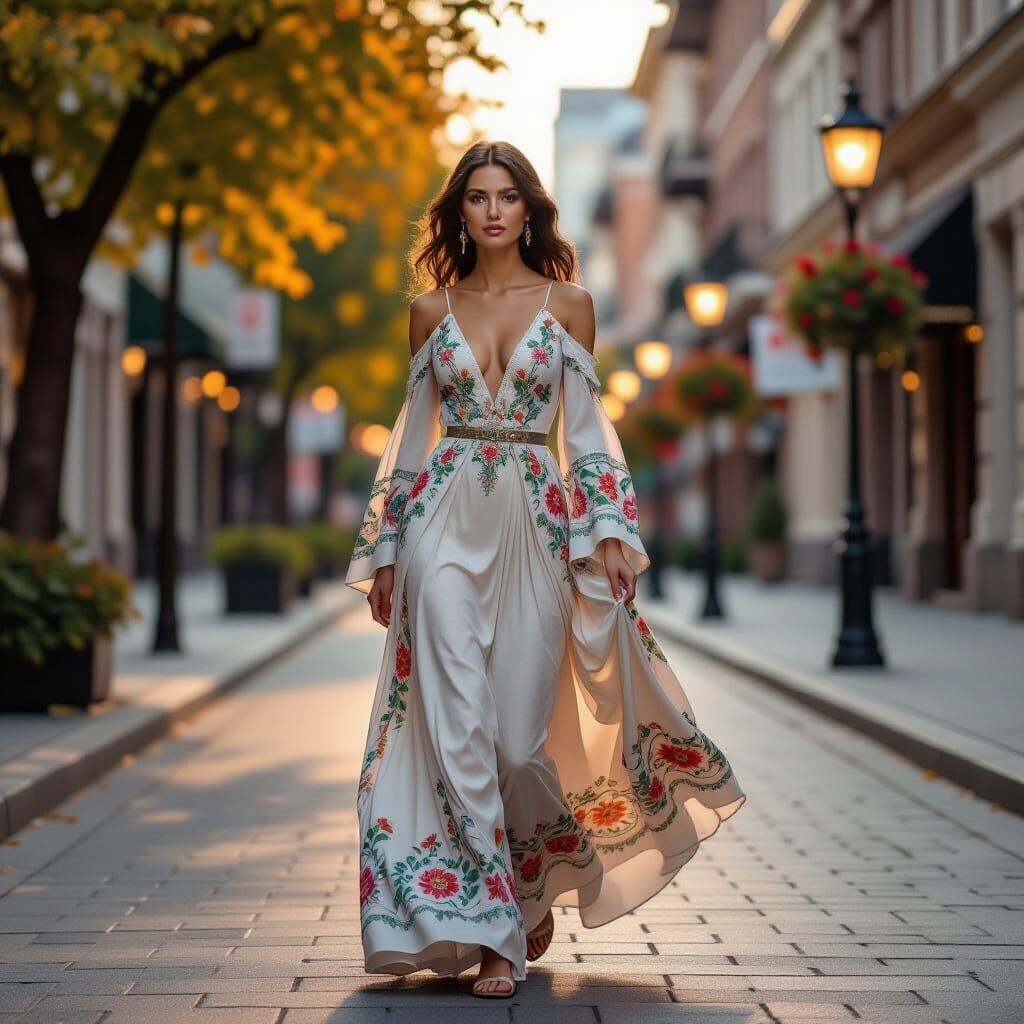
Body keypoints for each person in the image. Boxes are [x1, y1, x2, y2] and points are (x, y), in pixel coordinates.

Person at [345, 140, 746, 999]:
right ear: (459, 213)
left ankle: (527, 881)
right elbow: (413, 436)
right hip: (442, 528)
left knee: (518, 745)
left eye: (509, 197)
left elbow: (589, 430)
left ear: (530, 211)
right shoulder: (428, 311)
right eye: (478, 198)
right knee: (455, 724)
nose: (493, 211)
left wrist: (607, 532)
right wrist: (385, 552)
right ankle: (494, 933)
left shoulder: (571, 305)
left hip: (534, 524)